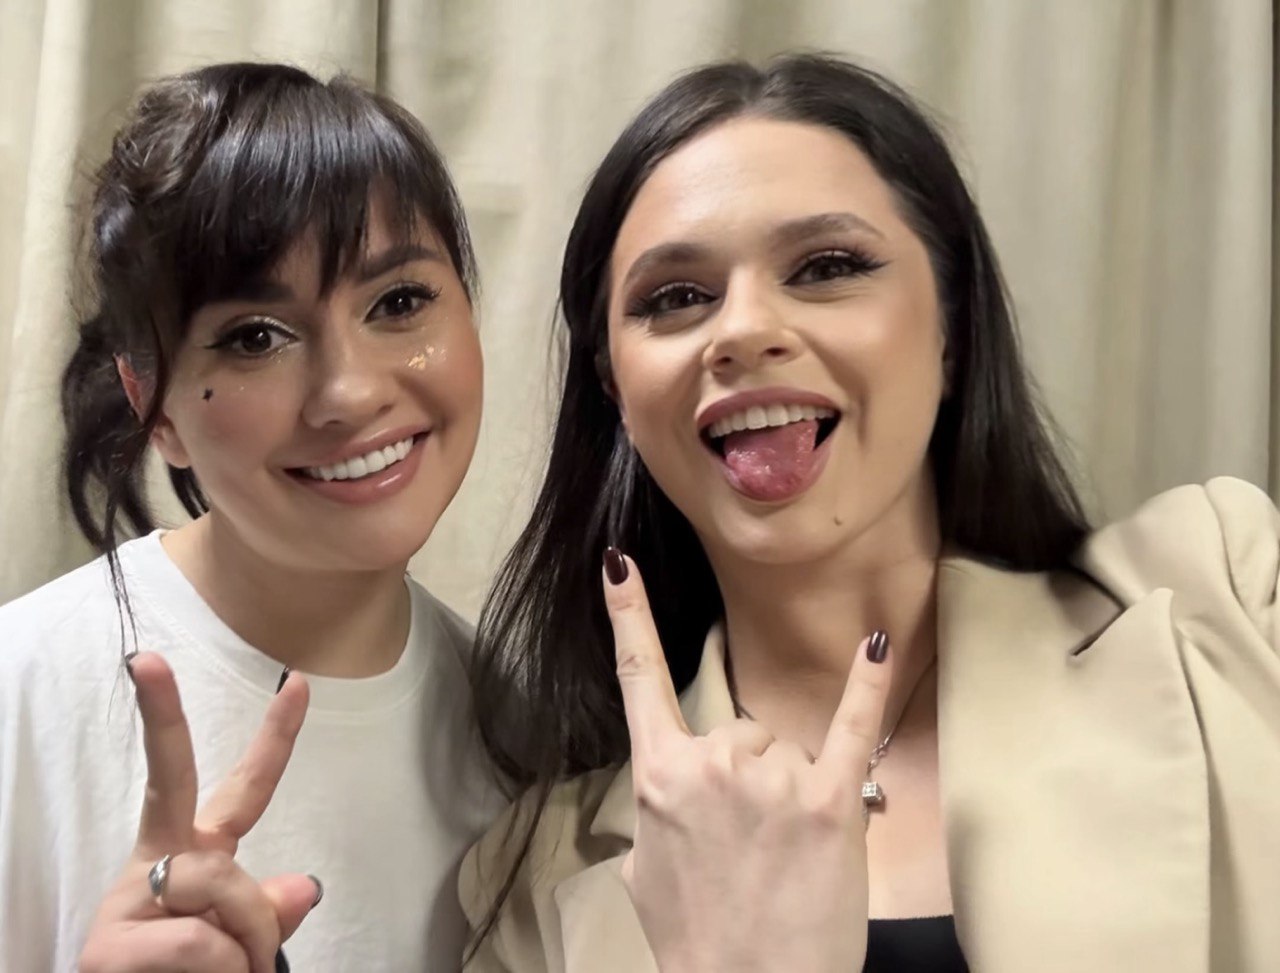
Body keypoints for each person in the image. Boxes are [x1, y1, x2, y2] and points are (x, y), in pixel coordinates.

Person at [459, 54, 1280, 972]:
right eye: (677, 297)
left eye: (827, 267)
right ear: (615, 387)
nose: (743, 330)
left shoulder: (1231, 602)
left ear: (952, 330)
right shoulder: (533, 886)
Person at [0, 62, 502, 972]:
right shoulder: (23, 689)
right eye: (255, 337)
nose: (350, 393)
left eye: (399, 302)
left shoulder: (524, 740)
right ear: (152, 404)